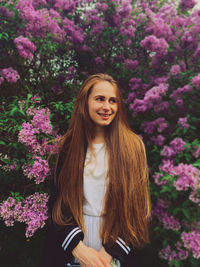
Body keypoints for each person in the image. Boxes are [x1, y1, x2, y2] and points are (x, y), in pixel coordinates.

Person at [39, 73, 151, 267]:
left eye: (113, 101)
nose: (107, 107)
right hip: (73, 244)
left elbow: (137, 208)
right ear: (85, 102)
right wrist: (77, 248)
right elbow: (57, 205)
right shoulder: (68, 146)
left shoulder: (133, 147)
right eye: (99, 99)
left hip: (115, 244)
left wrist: (108, 253)